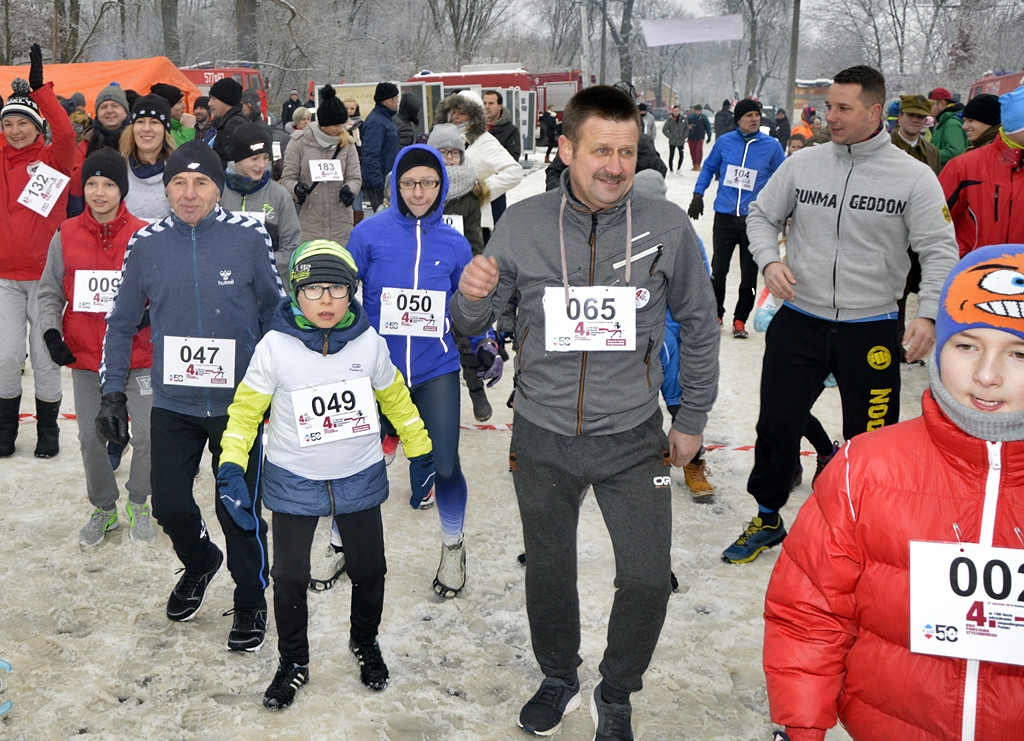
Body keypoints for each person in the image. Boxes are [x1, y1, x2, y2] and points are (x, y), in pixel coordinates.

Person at [451, 84, 719, 741]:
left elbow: (699, 321)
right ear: (566, 148)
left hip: (635, 439)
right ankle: (558, 675)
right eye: (601, 149)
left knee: (650, 577)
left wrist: (691, 417)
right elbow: (476, 328)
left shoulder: (668, 226)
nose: (615, 165)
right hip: (542, 435)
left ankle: (618, 688)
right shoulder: (524, 223)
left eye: (627, 151)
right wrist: (469, 298)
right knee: (550, 570)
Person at [763, 242, 1024, 740]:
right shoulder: (865, 467)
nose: (987, 376)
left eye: (1018, 353)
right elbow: (811, 609)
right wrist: (799, 726)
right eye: (966, 345)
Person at [725, 65, 959, 564]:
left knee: (871, 441)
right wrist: (768, 260)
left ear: (875, 112)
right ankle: (768, 517)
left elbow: (940, 250)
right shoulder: (804, 165)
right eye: (829, 106)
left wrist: (931, 315)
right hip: (800, 321)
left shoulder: (913, 177)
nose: (829, 116)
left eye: (842, 108)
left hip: (870, 326)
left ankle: (860, 531)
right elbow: (761, 215)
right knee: (776, 425)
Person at [216, 239, 434, 708]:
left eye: (338, 289)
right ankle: (293, 661)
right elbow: (244, 413)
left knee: (370, 570)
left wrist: (420, 448)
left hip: (358, 475)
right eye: (314, 290)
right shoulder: (274, 347)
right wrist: (231, 463)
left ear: (352, 292)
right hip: (295, 478)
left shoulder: (370, 342)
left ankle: (365, 641)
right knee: (290, 577)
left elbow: (395, 399)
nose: (327, 301)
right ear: (295, 294)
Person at [96, 140, 283, 650]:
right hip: (173, 403)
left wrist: (276, 384)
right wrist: (112, 391)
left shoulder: (247, 236)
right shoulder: (148, 243)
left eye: (201, 182)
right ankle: (200, 561)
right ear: (166, 187)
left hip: (238, 406)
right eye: (179, 181)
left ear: (218, 188)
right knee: (170, 506)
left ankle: (249, 599)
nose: (189, 193)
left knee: (237, 508)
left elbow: (275, 311)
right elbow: (120, 323)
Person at [346, 144, 476, 599]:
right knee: (356, 465)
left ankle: (454, 546)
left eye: (429, 183)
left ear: (442, 187)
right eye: (408, 183)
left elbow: (468, 306)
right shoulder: (370, 234)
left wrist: (484, 345)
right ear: (395, 186)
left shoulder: (455, 243)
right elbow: (344, 292)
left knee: (444, 465)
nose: (418, 192)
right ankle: (340, 542)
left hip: (434, 368)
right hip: (376, 371)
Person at [37, 151, 153, 546]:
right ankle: (104, 506)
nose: (99, 193)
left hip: (139, 356)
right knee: (89, 436)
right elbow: (49, 291)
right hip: (87, 357)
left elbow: (164, 290)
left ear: (122, 189)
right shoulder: (65, 234)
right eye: (91, 184)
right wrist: (52, 333)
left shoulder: (144, 233)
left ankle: (139, 500)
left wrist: (149, 314)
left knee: (149, 434)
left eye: (108, 184)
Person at [0, 46, 75, 459]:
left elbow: (65, 133)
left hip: (46, 279)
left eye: (23, 123)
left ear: (36, 126)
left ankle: (49, 431)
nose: (15, 130)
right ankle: (6, 429)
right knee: (6, 357)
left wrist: (39, 93)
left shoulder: (53, 161)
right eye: (8, 123)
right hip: (4, 280)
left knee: (46, 359)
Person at [688, 98, 785, 340]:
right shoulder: (725, 142)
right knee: (718, 270)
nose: (755, 119)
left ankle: (740, 319)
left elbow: (784, 178)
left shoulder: (771, 146)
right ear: (738, 119)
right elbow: (709, 167)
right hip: (725, 216)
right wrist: (698, 194)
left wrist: (782, 209)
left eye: (757, 115)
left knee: (749, 276)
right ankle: (716, 314)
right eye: (749, 115)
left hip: (755, 220)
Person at [426, 124, 496, 422]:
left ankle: (476, 388)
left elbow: (474, 237)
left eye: (454, 153)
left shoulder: (469, 194)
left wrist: (476, 269)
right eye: (443, 152)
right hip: (426, 269)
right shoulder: (421, 188)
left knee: (463, 331)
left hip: (458, 269)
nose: (449, 158)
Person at [939, 85, 1024, 258]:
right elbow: (932, 223)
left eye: (971, 120)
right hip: (973, 276)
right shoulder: (963, 167)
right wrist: (956, 260)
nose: (964, 126)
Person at [433, 90, 523, 242]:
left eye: (461, 113)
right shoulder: (445, 138)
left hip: (475, 222)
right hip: (445, 216)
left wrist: (481, 191)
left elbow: (514, 172)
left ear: (474, 115)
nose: (455, 116)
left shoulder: (485, 141)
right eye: (453, 111)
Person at [279, 84, 361, 246]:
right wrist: (296, 189)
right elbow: (287, 178)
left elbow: (355, 177)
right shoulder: (299, 143)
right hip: (308, 223)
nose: (340, 129)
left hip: (340, 225)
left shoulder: (348, 144)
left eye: (342, 124)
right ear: (324, 124)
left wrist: (350, 190)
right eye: (336, 125)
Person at [219, 122, 302, 277]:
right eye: (254, 158)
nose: (261, 165)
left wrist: (260, 263)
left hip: (270, 287)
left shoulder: (279, 195)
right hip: (226, 283)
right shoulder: (218, 192)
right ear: (238, 158)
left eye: (266, 157)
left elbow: (291, 247)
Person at [68, 82, 131, 216]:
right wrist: (94, 160)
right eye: (103, 107)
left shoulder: (137, 139)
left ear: (126, 111)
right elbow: (75, 189)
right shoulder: (87, 143)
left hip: (132, 215)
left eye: (115, 106)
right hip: (95, 215)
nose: (109, 110)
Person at [119, 94, 175, 221]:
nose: (146, 129)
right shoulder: (119, 168)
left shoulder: (177, 171)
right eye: (140, 121)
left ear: (165, 130)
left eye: (154, 122)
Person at [482, 89, 522, 226]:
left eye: (491, 103)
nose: (487, 106)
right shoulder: (475, 128)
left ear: (500, 106)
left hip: (496, 189)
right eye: (485, 103)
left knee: (496, 227)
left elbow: (513, 157)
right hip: (473, 187)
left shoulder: (510, 131)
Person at [360, 82, 401, 213]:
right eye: (396, 99)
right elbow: (370, 155)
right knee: (384, 219)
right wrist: (379, 185)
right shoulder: (375, 122)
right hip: (379, 183)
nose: (397, 102)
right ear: (388, 100)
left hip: (387, 180)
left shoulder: (386, 119)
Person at [890, 94, 940, 174]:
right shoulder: (883, 146)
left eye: (920, 117)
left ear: (925, 121)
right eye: (911, 115)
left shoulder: (932, 152)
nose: (915, 120)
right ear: (900, 118)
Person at [208, 77, 249, 167]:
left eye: (213, 98)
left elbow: (231, 163)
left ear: (225, 101)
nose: (209, 103)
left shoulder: (234, 125)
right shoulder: (228, 122)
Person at [928, 86, 968, 167]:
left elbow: (955, 152)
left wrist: (927, 154)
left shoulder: (951, 123)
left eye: (931, 104)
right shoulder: (944, 121)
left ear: (942, 104)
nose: (928, 108)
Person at [149, 83, 196, 147]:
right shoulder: (159, 130)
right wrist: (188, 128)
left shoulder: (178, 127)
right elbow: (179, 154)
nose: (184, 106)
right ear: (167, 106)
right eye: (179, 102)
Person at [662, 104, 687, 173]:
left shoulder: (683, 119)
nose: (676, 112)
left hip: (681, 141)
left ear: (679, 111)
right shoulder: (669, 119)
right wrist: (670, 137)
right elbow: (664, 130)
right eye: (674, 111)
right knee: (671, 155)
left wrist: (684, 136)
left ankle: (679, 169)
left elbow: (686, 128)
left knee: (681, 154)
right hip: (673, 141)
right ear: (672, 111)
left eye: (677, 111)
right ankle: (671, 169)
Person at [686, 103, 712, 170]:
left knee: (699, 150)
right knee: (692, 151)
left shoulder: (704, 117)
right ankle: (694, 164)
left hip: (700, 137)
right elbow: (685, 126)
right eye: (696, 110)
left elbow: (708, 127)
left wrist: (709, 136)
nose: (698, 112)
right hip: (691, 136)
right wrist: (689, 127)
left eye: (699, 110)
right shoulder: (690, 117)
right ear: (694, 110)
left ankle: (698, 164)